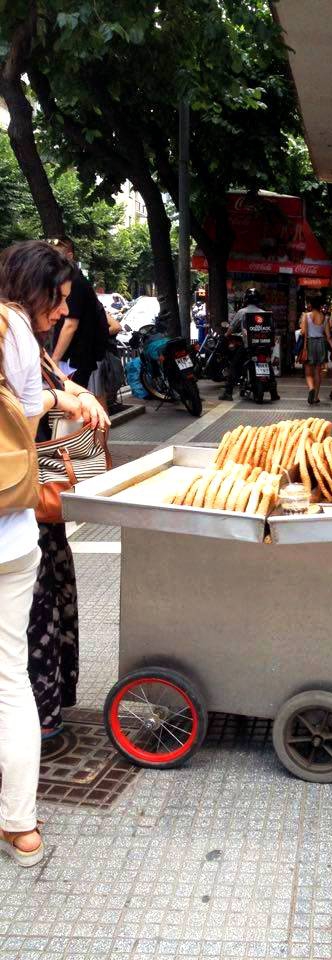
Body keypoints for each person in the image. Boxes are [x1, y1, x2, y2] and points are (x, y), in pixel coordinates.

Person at [0, 241, 109, 741]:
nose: (66, 310)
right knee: (23, 638)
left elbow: (50, 382)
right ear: (32, 289)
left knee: (38, 614)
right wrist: (61, 397)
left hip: (29, 503)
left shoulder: (22, 330)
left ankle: (42, 718)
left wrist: (74, 393)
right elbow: (25, 406)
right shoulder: (14, 329)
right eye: (59, 298)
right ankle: (36, 724)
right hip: (19, 502)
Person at [0, 292, 47, 866]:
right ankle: (21, 827)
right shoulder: (11, 323)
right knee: (10, 681)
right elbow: (29, 426)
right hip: (12, 536)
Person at [48, 237, 108, 390]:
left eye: (57, 255)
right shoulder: (74, 280)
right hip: (74, 358)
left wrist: (54, 360)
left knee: (69, 407)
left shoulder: (75, 282)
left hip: (73, 360)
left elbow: (70, 325)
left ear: (70, 256)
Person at [220, 288, 280, 402]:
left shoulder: (242, 312)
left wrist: (227, 335)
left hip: (249, 347)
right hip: (265, 346)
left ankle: (228, 392)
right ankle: (274, 393)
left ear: (246, 300)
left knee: (234, 365)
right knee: (268, 365)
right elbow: (272, 329)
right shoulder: (265, 313)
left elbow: (231, 328)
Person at [300, 294, 332, 405]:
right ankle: (315, 397)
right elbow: (328, 336)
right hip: (321, 344)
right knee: (318, 372)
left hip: (310, 343)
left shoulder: (306, 316)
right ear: (320, 305)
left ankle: (311, 388)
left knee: (308, 373)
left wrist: (304, 347)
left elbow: (303, 332)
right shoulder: (325, 318)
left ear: (311, 304)